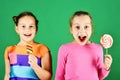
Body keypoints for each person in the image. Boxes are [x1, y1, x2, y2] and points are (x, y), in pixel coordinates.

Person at [55, 11, 112, 80]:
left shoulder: (98, 49)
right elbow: (59, 76)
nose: (82, 31)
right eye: (77, 27)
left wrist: (106, 67)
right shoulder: (64, 49)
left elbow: (100, 76)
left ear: (91, 29)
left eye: (86, 27)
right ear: (71, 30)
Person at [4, 11, 52, 80]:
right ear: (17, 29)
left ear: (36, 29)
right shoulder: (9, 50)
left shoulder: (42, 49)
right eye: (23, 26)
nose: (27, 29)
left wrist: (35, 66)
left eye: (31, 26)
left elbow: (47, 78)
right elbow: (7, 75)